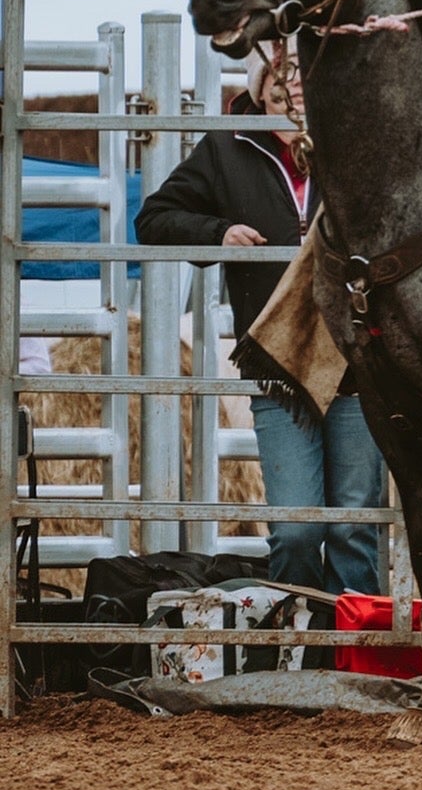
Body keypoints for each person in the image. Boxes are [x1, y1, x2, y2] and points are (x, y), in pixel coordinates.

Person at [134, 40, 385, 595]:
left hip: (357, 363)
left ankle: (353, 662)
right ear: (258, 83)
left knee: (354, 528)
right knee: (295, 530)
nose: (290, 83)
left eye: (302, 73)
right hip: (280, 366)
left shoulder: (352, 140)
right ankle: (296, 648)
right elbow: (154, 217)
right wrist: (217, 233)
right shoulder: (228, 146)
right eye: (277, 73)